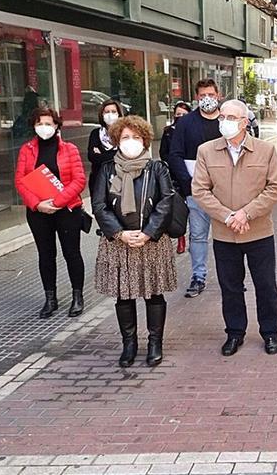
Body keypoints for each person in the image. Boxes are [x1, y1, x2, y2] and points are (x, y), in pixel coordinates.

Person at [192, 100, 277, 356]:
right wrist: (228, 216)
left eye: (231, 117)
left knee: (265, 285)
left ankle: (270, 332)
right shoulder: (206, 151)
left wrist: (247, 213)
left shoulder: (265, 151)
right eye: (222, 117)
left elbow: (275, 188)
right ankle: (234, 332)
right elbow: (200, 189)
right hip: (224, 233)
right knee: (230, 286)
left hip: (259, 232)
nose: (225, 122)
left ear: (245, 122)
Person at [91, 116, 177, 368]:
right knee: (124, 295)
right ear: (117, 141)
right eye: (125, 137)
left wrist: (149, 232)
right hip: (119, 243)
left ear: (145, 140)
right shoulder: (107, 169)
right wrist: (119, 233)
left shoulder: (157, 168)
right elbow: (99, 204)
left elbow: (166, 201)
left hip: (151, 242)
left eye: (136, 137)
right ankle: (129, 343)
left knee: (153, 292)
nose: (131, 142)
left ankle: (154, 342)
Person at [14, 108, 86, 319]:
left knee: (71, 253)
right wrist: (37, 204)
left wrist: (57, 201)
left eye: (48, 123)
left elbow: (79, 180)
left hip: (67, 210)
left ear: (56, 126)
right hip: (39, 212)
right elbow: (20, 181)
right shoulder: (26, 150)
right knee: (46, 255)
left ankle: (77, 297)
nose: (44, 128)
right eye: (39, 123)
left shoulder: (69, 149)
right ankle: (50, 298)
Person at [169, 79, 223, 298]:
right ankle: (198, 276)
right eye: (202, 96)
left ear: (218, 95)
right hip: (196, 192)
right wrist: (190, 184)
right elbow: (175, 155)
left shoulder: (227, 120)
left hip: (224, 193)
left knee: (226, 237)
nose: (207, 99)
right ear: (196, 97)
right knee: (198, 236)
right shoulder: (186, 123)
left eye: (210, 94)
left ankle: (231, 277)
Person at [159, 101, 192, 254]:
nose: (180, 117)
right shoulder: (168, 131)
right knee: (178, 208)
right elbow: (163, 152)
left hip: (190, 174)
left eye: (184, 115)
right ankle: (181, 237)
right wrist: (172, 164)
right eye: (178, 114)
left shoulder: (192, 131)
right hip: (173, 174)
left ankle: (194, 237)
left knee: (193, 208)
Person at [87, 99, 126, 196]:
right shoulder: (96, 134)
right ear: (102, 114)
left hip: (121, 180)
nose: (110, 114)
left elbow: (127, 156)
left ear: (119, 114)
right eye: (107, 112)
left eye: (113, 112)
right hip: (98, 181)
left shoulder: (126, 133)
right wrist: (116, 155)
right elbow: (92, 157)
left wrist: (102, 155)